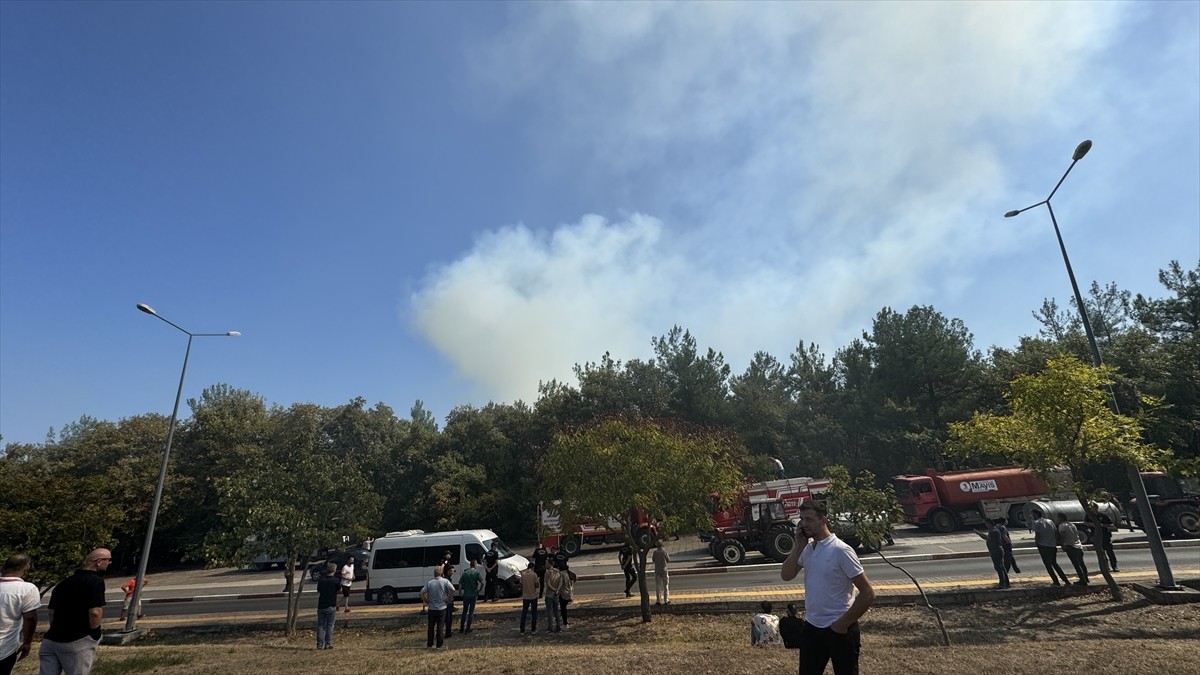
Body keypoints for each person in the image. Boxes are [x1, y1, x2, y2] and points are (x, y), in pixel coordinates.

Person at [781, 501, 876, 675]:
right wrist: (798, 546)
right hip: (812, 626)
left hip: (839, 628)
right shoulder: (807, 549)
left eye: (809, 519)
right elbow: (786, 575)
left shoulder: (841, 550)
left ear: (824, 520)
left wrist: (841, 624)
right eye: (801, 519)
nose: (804, 524)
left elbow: (868, 593)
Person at [39, 548, 111, 675]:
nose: (109, 563)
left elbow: (51, 611)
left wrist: (55, 628)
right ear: (99, 562)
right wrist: (94, 633)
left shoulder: (64, 583)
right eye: (108, 560)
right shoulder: (95, 581)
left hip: (51, 639)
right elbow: (95, 612)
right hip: (77, 640)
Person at [0, 554, 40, 675]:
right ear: (26, 569)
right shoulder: (27, 589)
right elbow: (30, 618)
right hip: (4, 648)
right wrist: (27, 642)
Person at [1030, 507, 1070, 587]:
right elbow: (1055, 532)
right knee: (1054, 563)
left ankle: (1056, 581)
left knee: (1048, 565)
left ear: (1035, 514)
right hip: (1052, 545)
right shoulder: (1050, 521)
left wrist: (1037, 543)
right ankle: (1065, 580)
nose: (1032, 516)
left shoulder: (1037, 522)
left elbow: (1038, 535)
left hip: (1043, 545)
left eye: (1032, 514)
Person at [419, 567, 454, 649]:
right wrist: (449, 598)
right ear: (441, 573)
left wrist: (426, 600)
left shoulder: (430, 583)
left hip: (432, 608)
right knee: (440, 626)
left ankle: (430, 643)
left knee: (431, 627)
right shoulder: (445, 581)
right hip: (442, 607)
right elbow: (453, 589)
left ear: (434, 574)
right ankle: (439, 644)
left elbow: (421, 592)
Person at [1056, 513, 1090, 585]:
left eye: (1058, 518)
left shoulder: (1062, 526)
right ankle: (1086, 578)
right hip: (1078, 545)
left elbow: (1062, 536)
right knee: (1081, 563)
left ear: (1061, 518)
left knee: (1076, 564)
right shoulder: (1072, 525)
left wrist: (1062, 545)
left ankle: (1082, 580)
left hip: (1070, 546)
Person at [975, 519, 1010, 588]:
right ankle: (1006, 583)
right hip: (997, 550)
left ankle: (1002, 584)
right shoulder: (995, 530)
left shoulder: (993, 531)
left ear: (989, 524)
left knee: (999, 567)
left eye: (986, 523)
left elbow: (987, 538)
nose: (986, 525)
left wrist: (979, 533)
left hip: (996, 551)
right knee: (1001, 567)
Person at [315, 562, 340, 650]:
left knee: (320, 625)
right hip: (331, 605)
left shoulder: (321, 580)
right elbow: (338, 589)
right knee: (330, 625)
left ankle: (319, 644)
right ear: (334, 570)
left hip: (321, 605)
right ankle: (328, 643)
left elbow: (318, 590)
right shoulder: (336, 581)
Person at [1089, 501, 1119, 571]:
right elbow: (1085, 522)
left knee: (1110, 552)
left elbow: (1111, 525)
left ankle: (1114, 566)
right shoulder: (1089, 516)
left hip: (1105, 536)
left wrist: (1102, 525)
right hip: (1096, 537)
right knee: (1101, 553)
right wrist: (1091, 524)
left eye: (1093, 507)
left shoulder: (1102, 515)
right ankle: (1105, 567)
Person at [458, 559, 483, 634]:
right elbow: (482, 582)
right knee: (471, 612)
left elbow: (460, 584)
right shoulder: (476, 573)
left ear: (470, 564)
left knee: (464, 611)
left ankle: (461, 628)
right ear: (475, 565)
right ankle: (468, 628)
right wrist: (479, 590)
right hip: (473, 594)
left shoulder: (465, 573)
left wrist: (460, 592)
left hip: (466, 594)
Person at [518, 564, 538, 635]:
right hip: (533, 596)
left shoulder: (523, 574)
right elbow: (537, 585)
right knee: (534, 613)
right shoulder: (534, 575)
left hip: (525, 596)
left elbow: (521, 584)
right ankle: (533, 629)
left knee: (524, 613)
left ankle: (522, 630)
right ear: (532, 568)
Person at [543, 566, 563, 633]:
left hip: (549, 594)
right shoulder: (558, 572)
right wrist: (557, 590)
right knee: (557, 611)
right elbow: (561, 582)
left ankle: (550, 628)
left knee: (550, 612)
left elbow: (548, 584)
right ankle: (558, 627)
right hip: (556, 595)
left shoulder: (548, 573)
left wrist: (553, 589)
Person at [652, 540, 671, 605]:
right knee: (665, 585)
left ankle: (658, 600)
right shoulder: (664, 551)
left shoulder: (655, 552)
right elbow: (668, 560)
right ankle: (666, 600)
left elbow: (653, 560)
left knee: (658, 585)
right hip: (664, 569)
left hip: (657, 570)